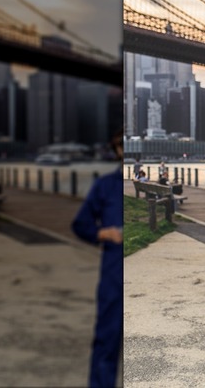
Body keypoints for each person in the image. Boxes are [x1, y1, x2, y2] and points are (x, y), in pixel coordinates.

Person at [71, 128, 124, 388]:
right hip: (114, 273)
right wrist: (102, 232)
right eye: (120, 146)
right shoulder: (105, 186)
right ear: (117, 151)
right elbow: (80, 224)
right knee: (107, 339)